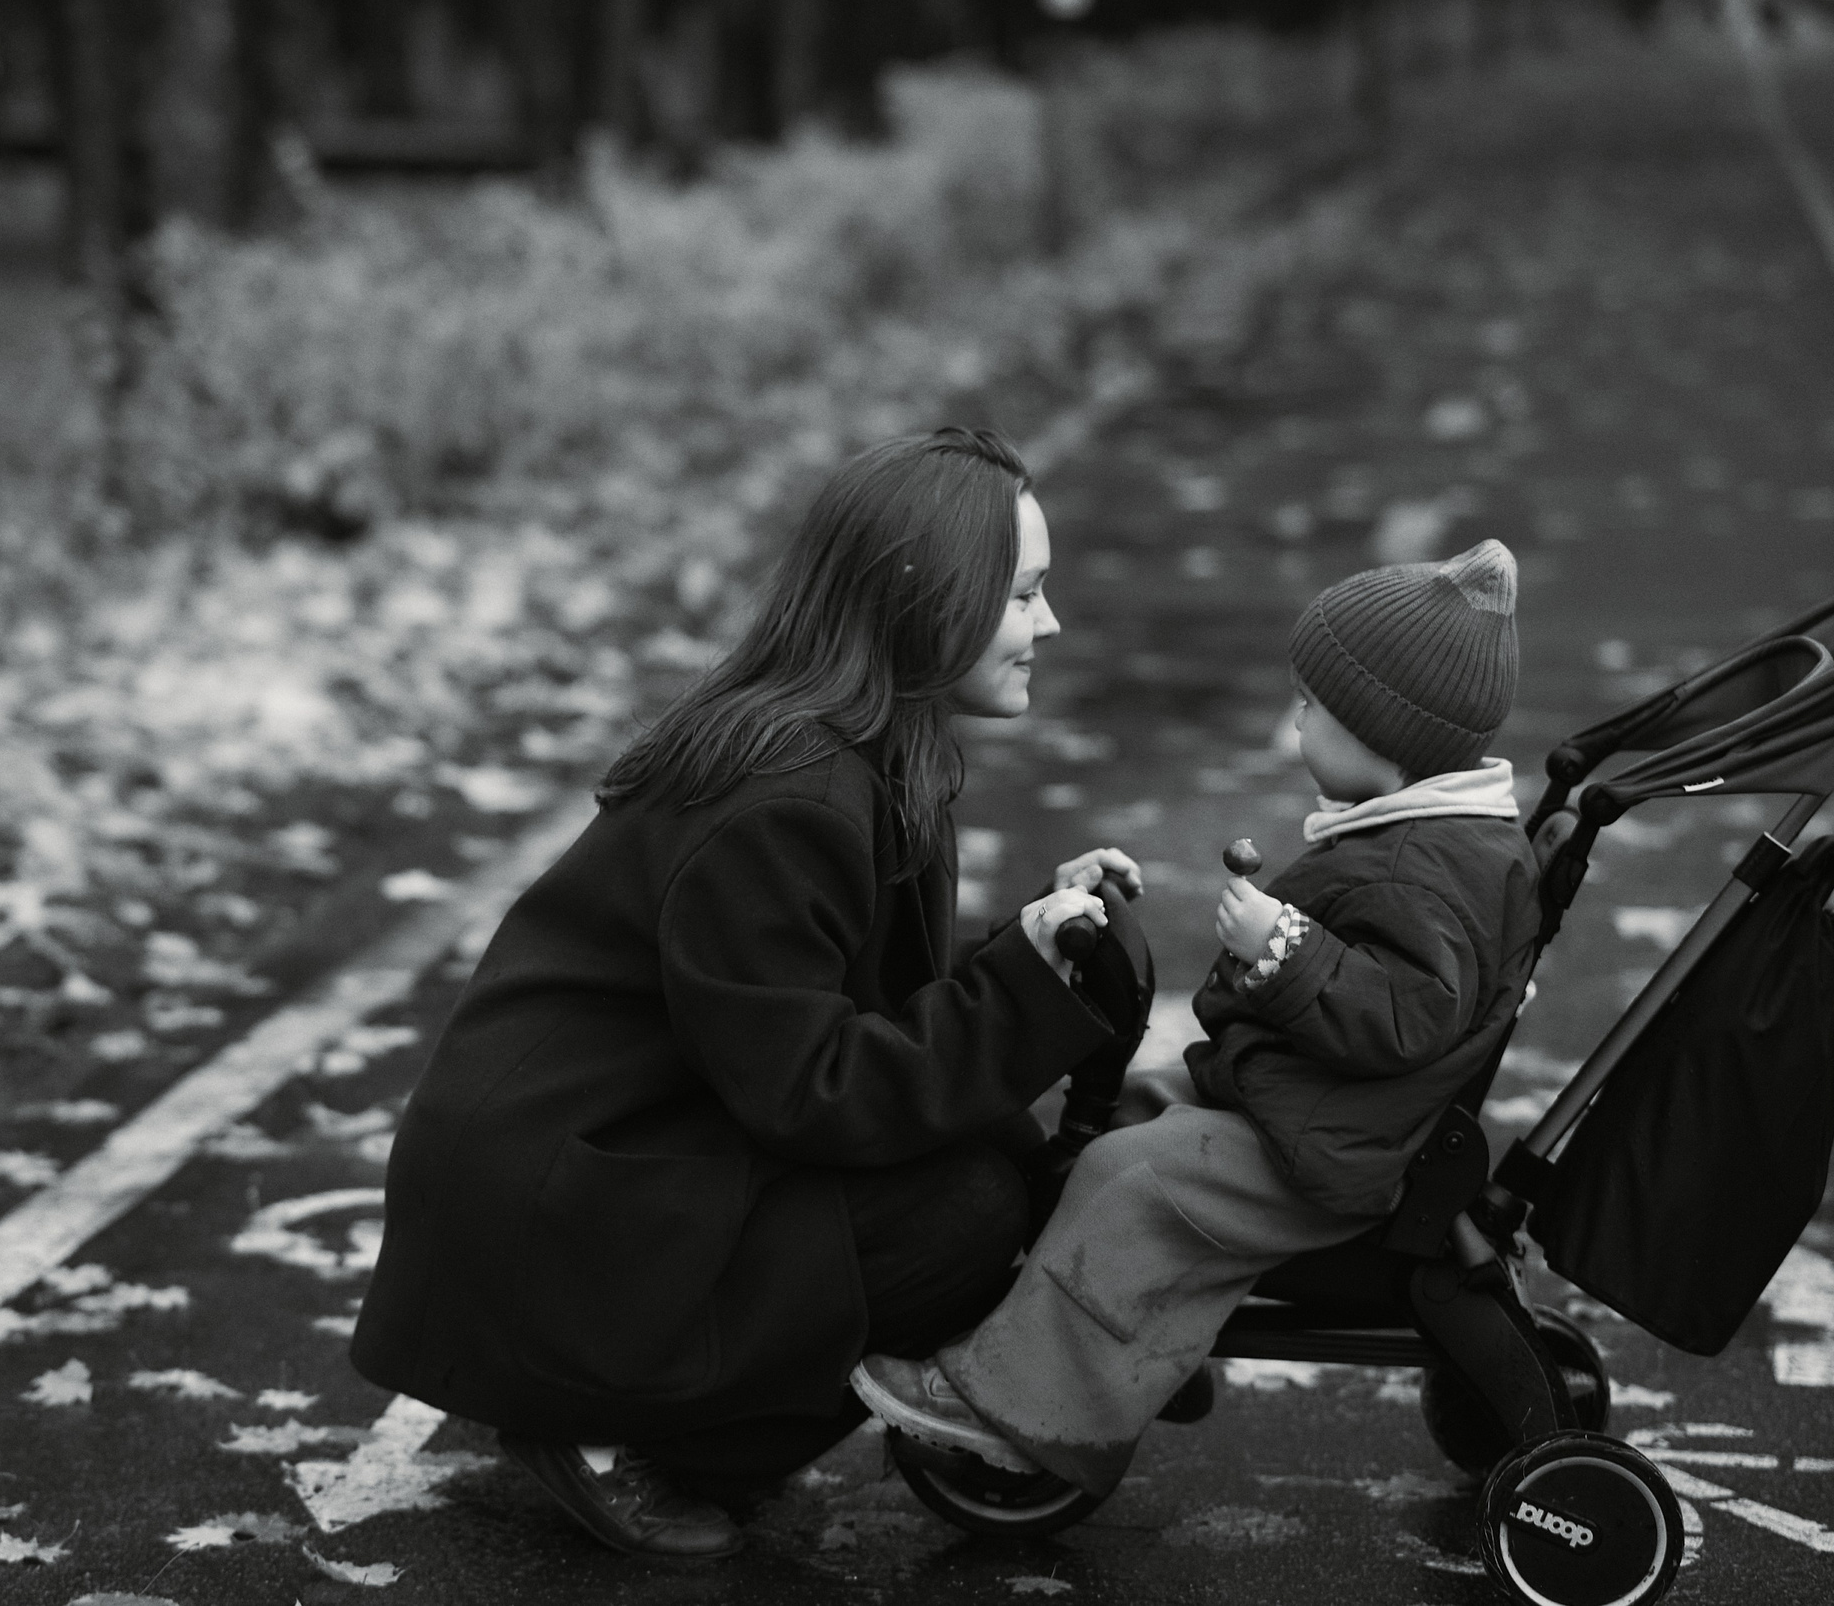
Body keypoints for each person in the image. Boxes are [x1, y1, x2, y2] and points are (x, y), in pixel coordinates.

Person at [350, 429, 1150, 1559]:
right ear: (927, 602)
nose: (1050, 623)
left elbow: (850, 1007)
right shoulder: (788, 793)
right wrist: (1016, 992)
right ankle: (604, 1429)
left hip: (635, 1149)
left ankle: (664, 1412)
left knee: (990, 1172)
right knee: (962, 1215)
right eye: (1023, 594)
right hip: (567, 1198)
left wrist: (1026, 947)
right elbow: (815, 1091)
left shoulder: (867, 749)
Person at [853, 538, 1542, 1494]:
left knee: (1135, 1176)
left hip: (1340, 1142)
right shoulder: (1426, 838)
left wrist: (1285, 949)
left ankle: (1022, 1407)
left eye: (1312, 707)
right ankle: (1131, 1358)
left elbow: (1407, 1017)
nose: (1293, 721)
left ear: (1385, 735)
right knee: (1138, 1104)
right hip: (1316, 1102)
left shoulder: (1420, 867)